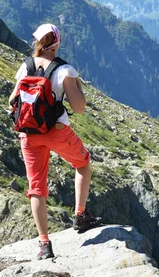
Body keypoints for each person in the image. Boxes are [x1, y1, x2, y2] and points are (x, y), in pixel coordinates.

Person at [9, 23, 101, 259]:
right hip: (57, 131)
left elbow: (12, 100)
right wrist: (77, 87)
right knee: (82, 162)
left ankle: (44, 245)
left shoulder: (25, 66)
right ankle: (80, 215)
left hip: (28, 134)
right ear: (57, 42)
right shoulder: (64, 70)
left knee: (36, 187)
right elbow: (79, 108)